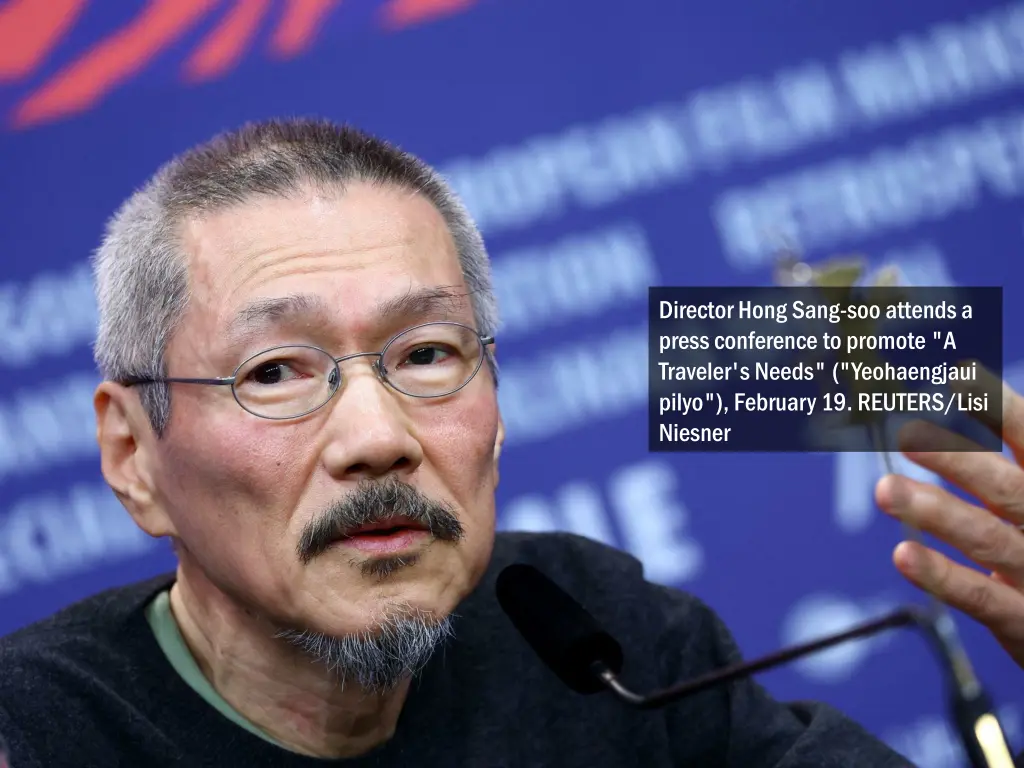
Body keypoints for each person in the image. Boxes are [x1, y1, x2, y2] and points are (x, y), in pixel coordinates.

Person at [0, 117, 997, 767]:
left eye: (427, 354)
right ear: (133, 455)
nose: (377, 437)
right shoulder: (40, 734)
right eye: (276, 373)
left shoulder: (596, 637)